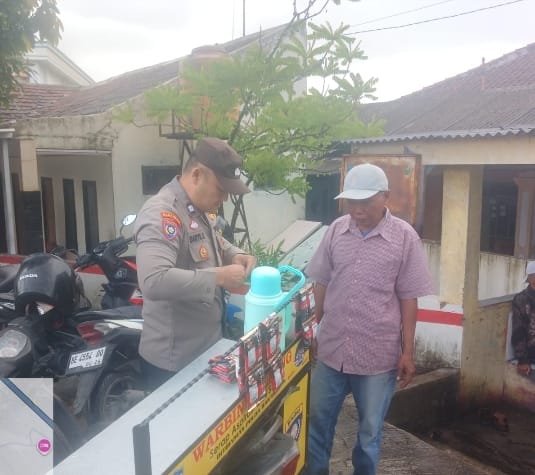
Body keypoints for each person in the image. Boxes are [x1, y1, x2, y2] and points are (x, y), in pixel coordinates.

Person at [303, 163, 434, 475]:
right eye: (352, 202)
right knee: (317, 424)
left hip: (377, 357)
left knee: (369, 433)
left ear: (385, 197)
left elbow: (409, 298)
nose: (357, 210)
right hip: (332, 351)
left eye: (365, 202)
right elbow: (321, 281)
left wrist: (408, 352)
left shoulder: (405, 238)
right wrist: (314, 330)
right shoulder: (336, 230)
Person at [134, 137, 256, 391]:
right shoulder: (162, 212)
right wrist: (219, 277)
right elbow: (154, 280)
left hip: (206, 351)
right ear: (197, 175)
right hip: (174, 364)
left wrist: (234, 254)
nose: (224, 198)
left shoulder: (197, 208)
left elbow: (212, 242)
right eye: (220, 189)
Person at [511, 260, 535, 379]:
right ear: (530, 278)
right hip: (531, 354)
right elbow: (518, 332)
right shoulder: (521, 300)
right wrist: (523, 360)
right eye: (533, 275)